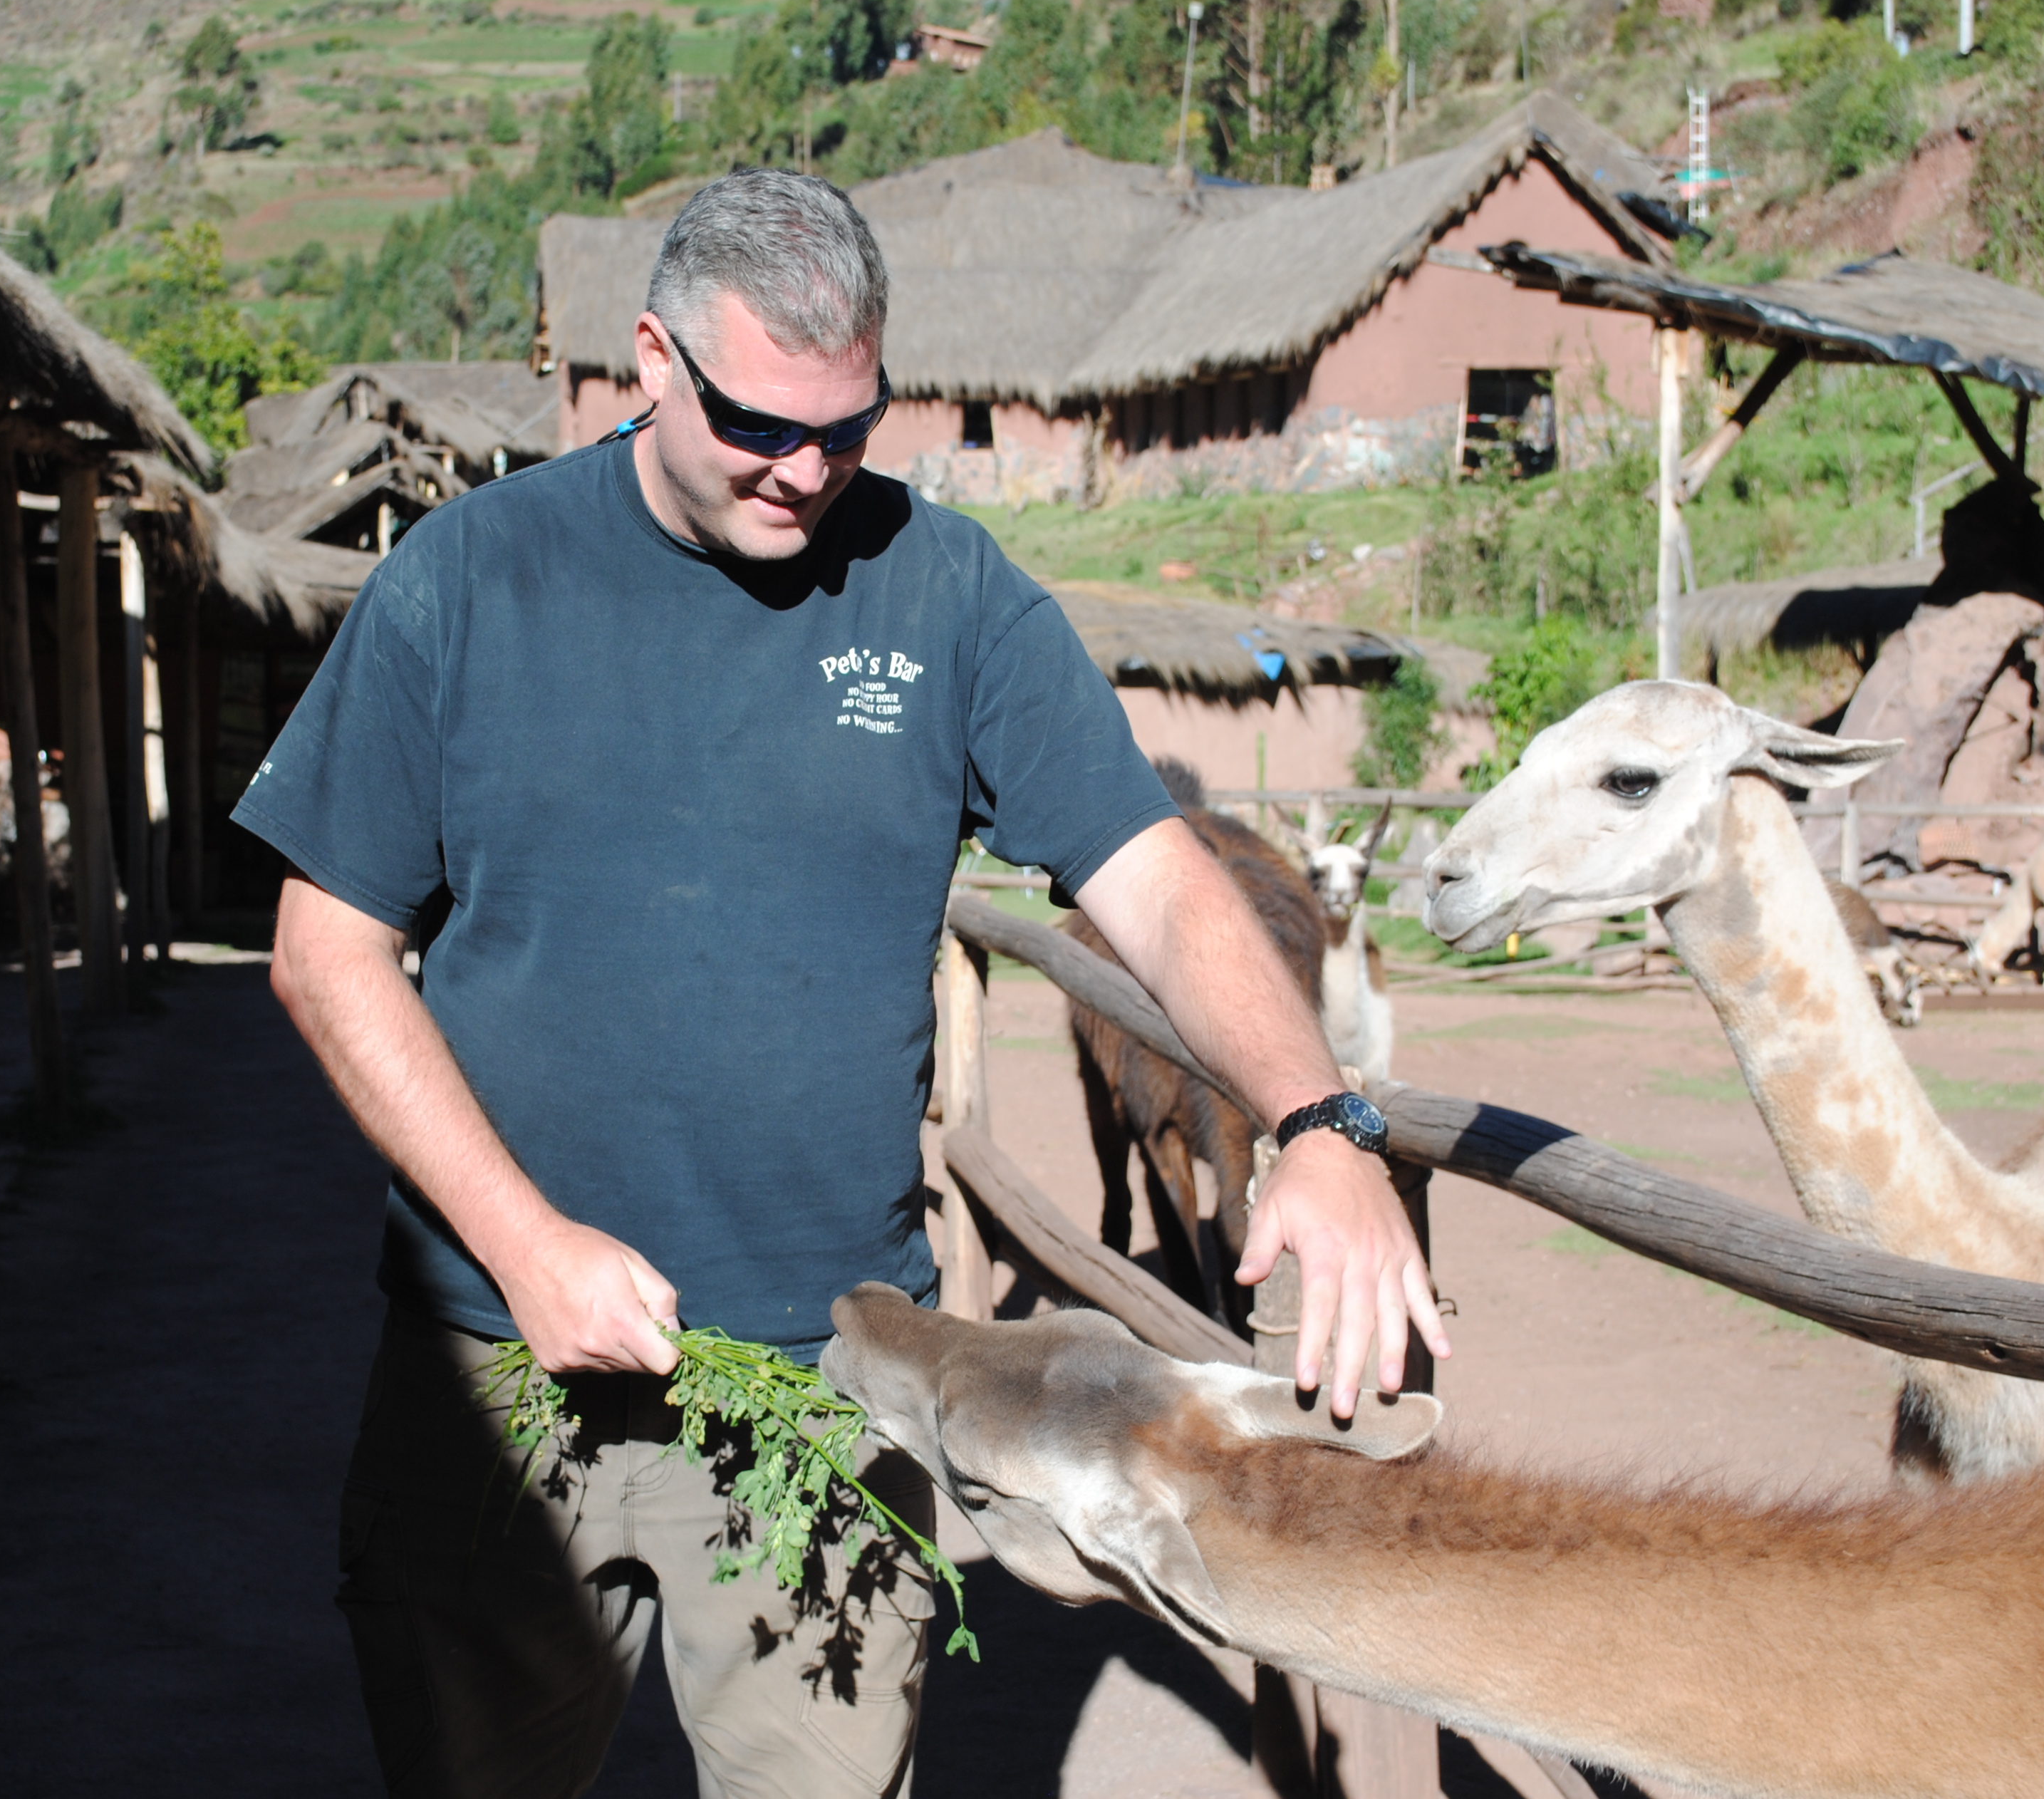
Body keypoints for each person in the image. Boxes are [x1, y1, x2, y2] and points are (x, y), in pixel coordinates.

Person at [239, 168, 1448, 1799]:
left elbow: (1152, 875)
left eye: (849, 427)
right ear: (652, 359)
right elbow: (325, 951)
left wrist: (1320, 1121)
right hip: (499, 1366)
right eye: (758, 423)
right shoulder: (465, 585)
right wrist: (524, 1250)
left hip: (825, 1382)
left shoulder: (946, 595)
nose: (806, 473)